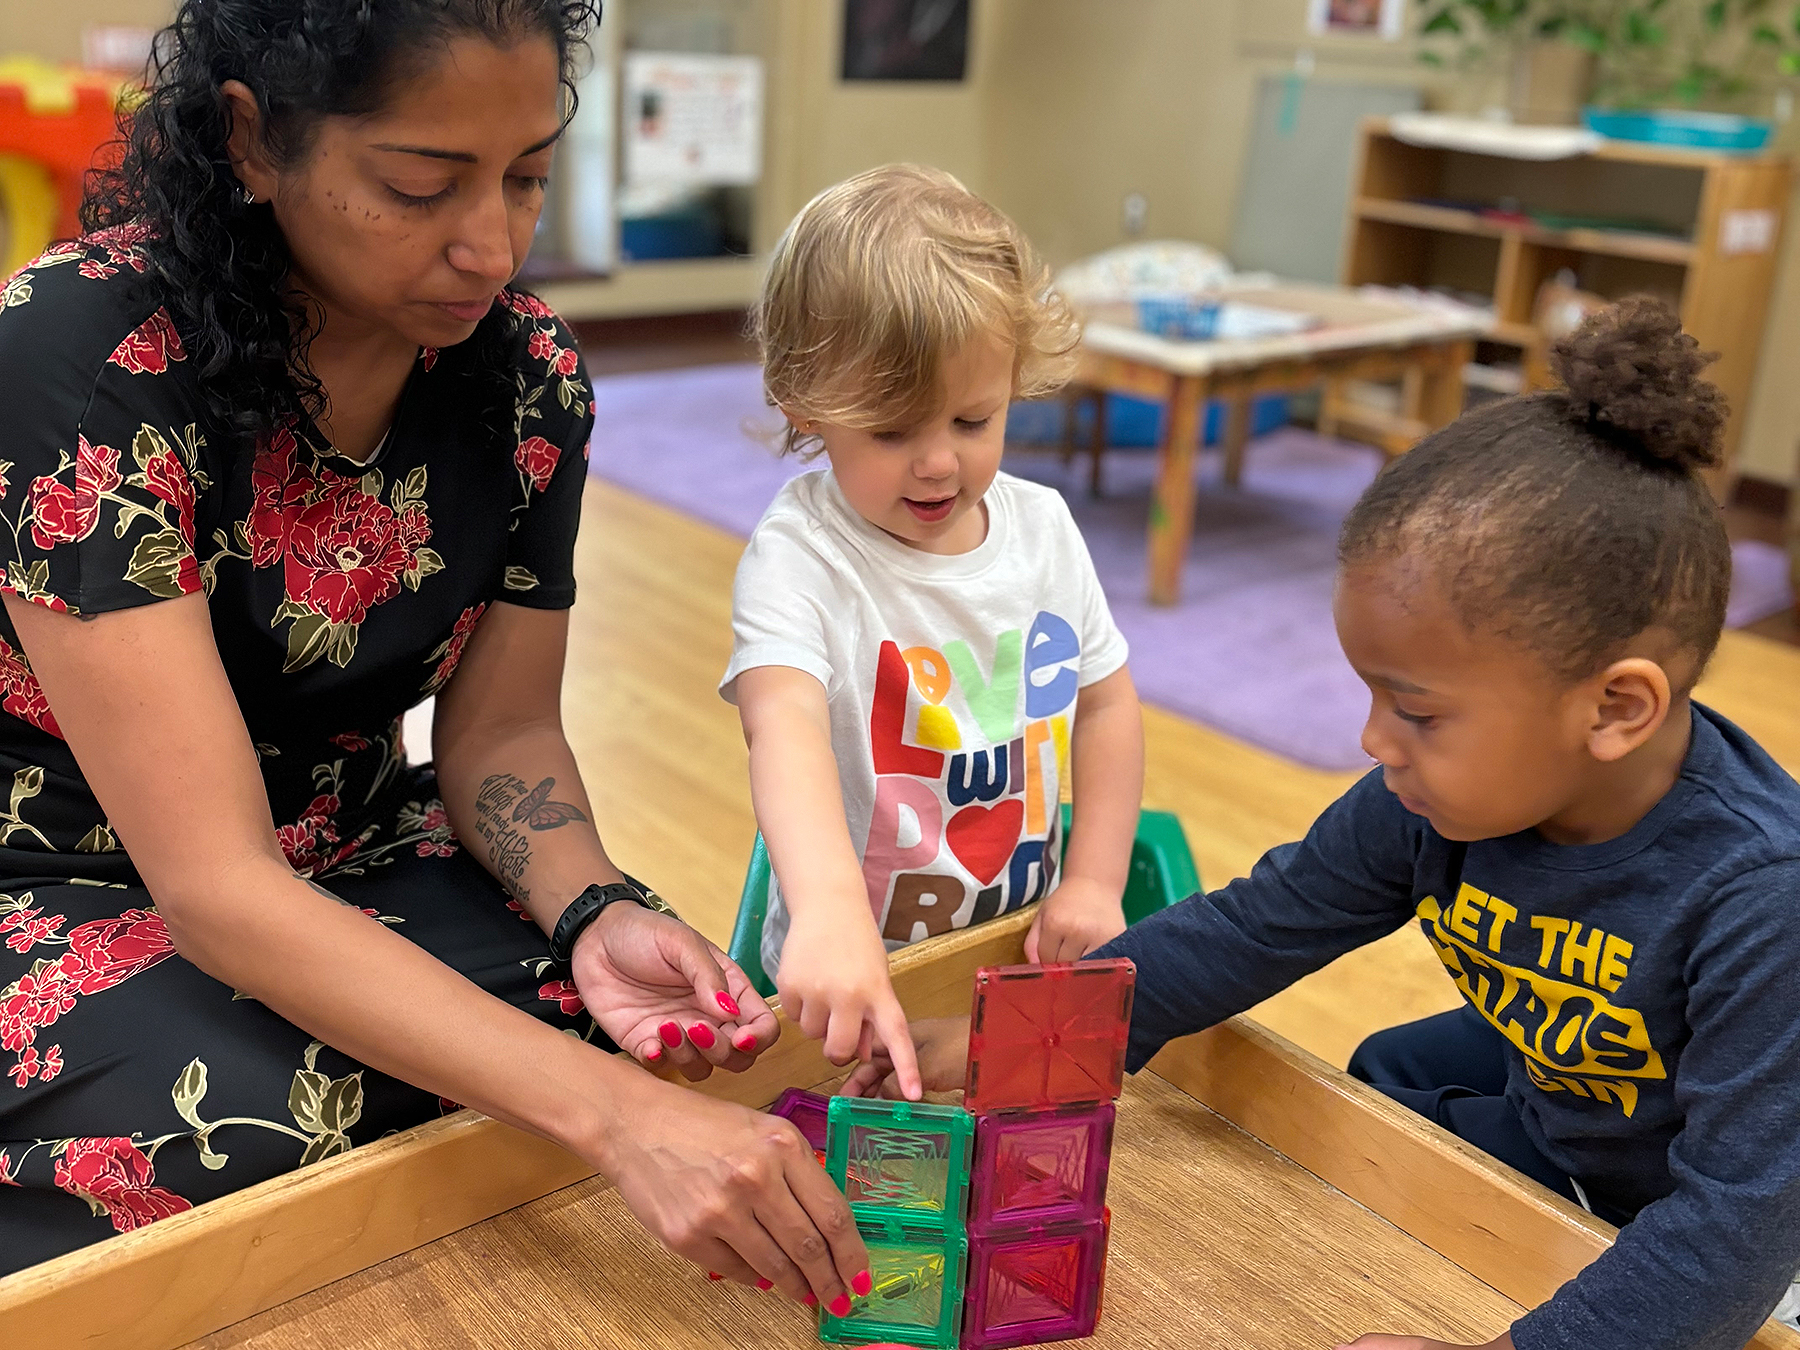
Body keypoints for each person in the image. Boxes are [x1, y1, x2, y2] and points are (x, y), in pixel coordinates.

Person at [0, 0, 872, 1311]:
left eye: (529, 176)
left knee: (665, 1037)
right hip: (65, 879)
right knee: (278, 1122)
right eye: (422, 185)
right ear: (252, 138)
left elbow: (504, 734)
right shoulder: (80, 353)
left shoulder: (526, 378)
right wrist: (612, 1121)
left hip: (346, 847)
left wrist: (593, 908)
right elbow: (215, 885)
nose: (492, 244)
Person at [846, 298, 1800, 1349]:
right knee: (1387, 1073)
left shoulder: (1761, 898)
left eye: (1419, 712)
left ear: (1615, 709)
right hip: (1567, 1109)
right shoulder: (1428, 800)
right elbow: (1257, 924)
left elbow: (1736, 1226)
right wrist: (1009, 1044)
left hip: (1743, 1224)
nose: (1374, 741)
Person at [722, 165, 1145, 1100]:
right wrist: (831, 913)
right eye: (889, 429)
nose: (939, 462)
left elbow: (1107, 705)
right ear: (803, 404)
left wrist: (1094, 881)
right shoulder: (802, 556)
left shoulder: (1043, 533)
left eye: (973, 417)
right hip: (845, 985)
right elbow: (780, 722)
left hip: (1010, 954)